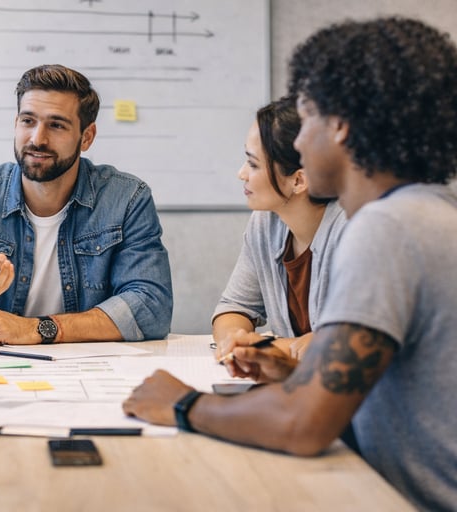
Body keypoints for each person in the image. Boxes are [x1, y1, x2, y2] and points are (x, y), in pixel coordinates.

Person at [123, 17, 457, 510]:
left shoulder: (387, 229)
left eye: (308, 116)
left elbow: (304, 426)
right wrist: (294, 373)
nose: (299, 143)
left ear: (340, 126)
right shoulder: (429, 211)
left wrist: (184, 404)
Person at [0, 64, 172, 345]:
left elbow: (151, 307)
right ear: (16, 124)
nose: (37, 139)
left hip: (92, 366)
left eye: (56, 125)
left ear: (87, 137)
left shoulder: (127, 199)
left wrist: (37, 329)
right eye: (28, 121)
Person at [212, 96, 345, 364]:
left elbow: (336, 346)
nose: (241, 174)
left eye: (253, 164)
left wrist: (259, 347)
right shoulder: (265, 221)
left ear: (299, 180)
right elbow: (234, 309)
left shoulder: (353, 229)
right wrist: (235, 342)